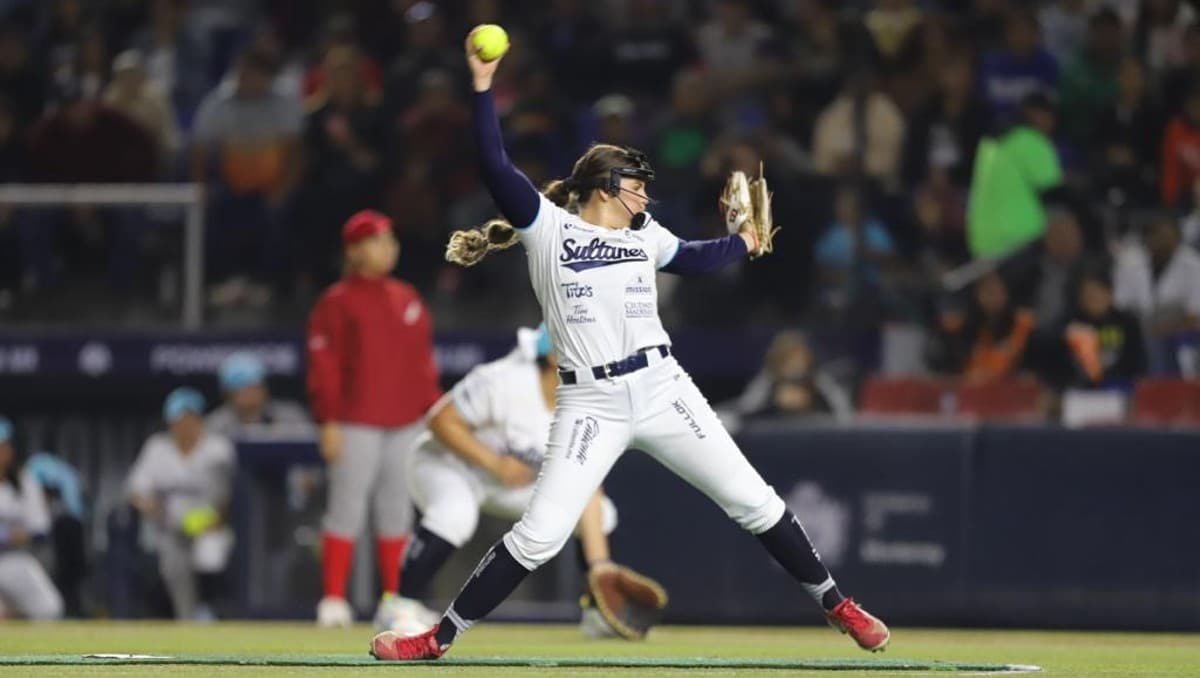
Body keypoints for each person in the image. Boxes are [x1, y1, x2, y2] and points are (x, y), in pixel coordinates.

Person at [370, 28, 889, 660]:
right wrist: (482, 86)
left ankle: (839, 604)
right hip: (591, 400)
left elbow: (698, 258)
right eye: (634, 183)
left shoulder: (647, 235)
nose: (645, 193)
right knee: (539, 536)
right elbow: (493, 165)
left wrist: (747, 244)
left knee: (755, 501)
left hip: (662, 388)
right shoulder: (547, 227)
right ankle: (436, 637)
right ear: (604, 186)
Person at [393, 325, 627, 637]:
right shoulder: (505, 379)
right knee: (456, 513)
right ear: (555, 356)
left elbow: (588, 487)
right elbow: (440, 421)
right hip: (447, 465)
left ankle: (595, 612)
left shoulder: (589, 406)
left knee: (602, 514)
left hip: (509, 484)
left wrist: (601, 567)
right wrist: (494, 463)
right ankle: (399, 606)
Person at [307, 210, 441, 629]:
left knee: (396, 512)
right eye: (379, 241)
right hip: (354, 420)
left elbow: (424, 369)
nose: (389, 248)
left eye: (391, 240)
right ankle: (332, 599)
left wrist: (435, 416)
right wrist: (327, 420)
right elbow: (323, 366)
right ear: (355, 250)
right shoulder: (336, 301)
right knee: (346, 508)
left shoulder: (408, 298)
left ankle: (395, 601)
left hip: (405, 422)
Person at [126, 388, 235, 620]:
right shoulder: (157, 448)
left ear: (199, 420)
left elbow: (230, 494)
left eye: (190, 419)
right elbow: (136, 491)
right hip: (167, 527)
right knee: (171, 564)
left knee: (210, 557)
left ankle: (211, 610)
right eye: (179, 420)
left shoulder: (218, 448)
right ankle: (188, 618)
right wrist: (152, 508)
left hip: (210, 526)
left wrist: (218, 519)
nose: (184, 426)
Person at [0, 416, 64, 621]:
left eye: (3, 446)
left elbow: (40, 529)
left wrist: (7, 536)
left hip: (13, 559)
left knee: (50, 609)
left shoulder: (25, 481)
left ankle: (15, 616)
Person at [206, 352, 311, 439]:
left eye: (254, 387)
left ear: (264, 389)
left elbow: (310, 455)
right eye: (241, 388)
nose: (249, 394)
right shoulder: (216, 424)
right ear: (227, 394)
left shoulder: (291, 417)